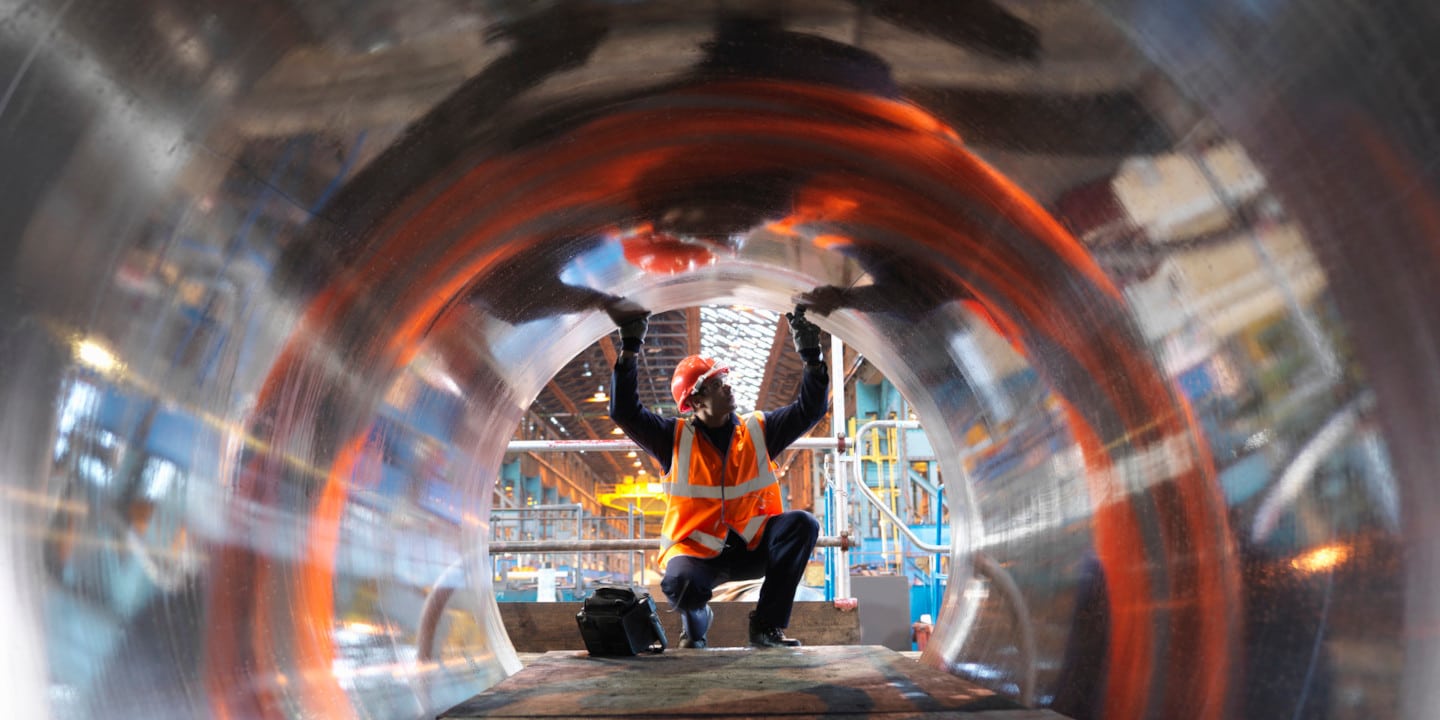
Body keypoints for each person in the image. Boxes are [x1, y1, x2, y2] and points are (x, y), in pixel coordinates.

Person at [608, 306, 830, 648]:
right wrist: (629, 349)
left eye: (724, 380)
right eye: (716, 384)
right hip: (697, 552)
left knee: (803, 524)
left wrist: (812, 356)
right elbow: (624, 411)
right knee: (681, 587)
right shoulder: (672, 438)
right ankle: (696, 625)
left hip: (753, 546)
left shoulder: (759, 431)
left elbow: (809, 409)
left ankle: (766, 627)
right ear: (695, 400)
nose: (727, 388)